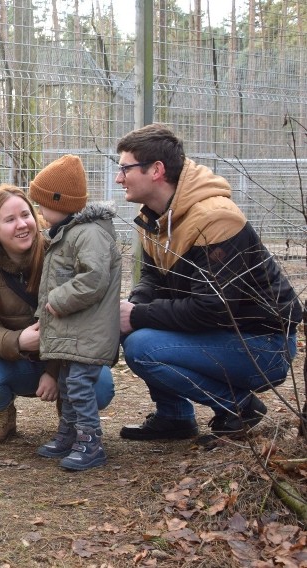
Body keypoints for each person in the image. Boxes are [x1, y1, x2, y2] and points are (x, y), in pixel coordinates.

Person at [116, 123, 303, 441]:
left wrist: (136, 315)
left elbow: (213, 308)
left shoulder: (215, 218)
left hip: (263, 345)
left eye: (125, 168)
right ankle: (173, 418)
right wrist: (134, 304)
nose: (119, 178)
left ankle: (239, 407)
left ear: (156, 170)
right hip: (222, 334)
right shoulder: (156, 217)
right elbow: (152, 277)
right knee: (131, 327)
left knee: (141, 345)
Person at [0, 183, 115, 446]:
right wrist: (19, 341)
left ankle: (69, 416)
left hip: (64, 355)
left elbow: (78, 318)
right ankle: (2, 414)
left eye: (26, 215)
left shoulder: (56, 252)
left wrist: (54, 372)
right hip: (15, 360)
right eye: (9, 220)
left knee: (100, 386)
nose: (22, 224)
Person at [26, 155, 122, 471]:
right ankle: (68, 435)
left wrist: (58, 300)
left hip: (88, 334)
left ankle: (91, 443)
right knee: (68, 386)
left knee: (79, 386)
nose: (38, 213)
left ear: (62, 203)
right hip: (75, 333)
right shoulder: (68, 232)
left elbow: (93, 279)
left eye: (42, 205)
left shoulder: (88, 233)